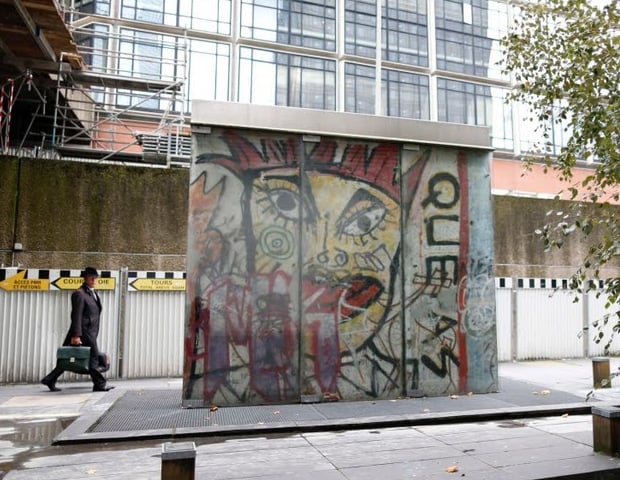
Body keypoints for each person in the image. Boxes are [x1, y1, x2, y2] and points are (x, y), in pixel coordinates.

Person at [41, 267, 114, 392]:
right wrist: (76, 335)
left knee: (66, 358)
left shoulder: (92, 293)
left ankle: (50, 379)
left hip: (89, 331)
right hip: (83, 332)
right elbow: (76, 315)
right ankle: (99, 384)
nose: (94, 280)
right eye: (91, 277)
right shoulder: (79, 294)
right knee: (94, 358)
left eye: (95, 277)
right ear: (85, 278)